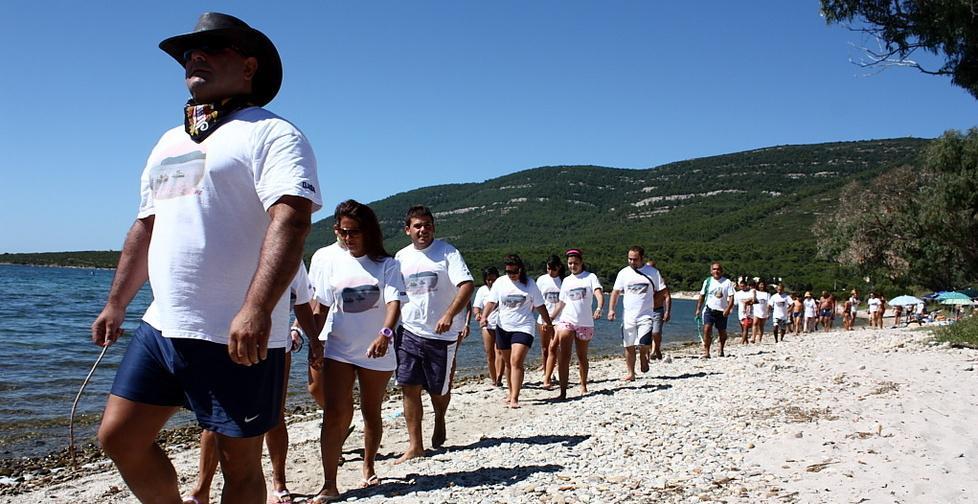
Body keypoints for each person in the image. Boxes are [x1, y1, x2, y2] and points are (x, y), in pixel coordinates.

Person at [90, 13, 321, 504]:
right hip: (164, 326)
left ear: (249, 66)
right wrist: (117, 303)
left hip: (236, 333)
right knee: (119, 438)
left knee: (240, 467)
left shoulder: (273, 134)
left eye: (211, 48)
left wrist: (256, 307)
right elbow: (146, 226)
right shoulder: (172, 141)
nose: (194, 57)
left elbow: (293, 220)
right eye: (188, 53)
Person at [185, 266, 318, 504]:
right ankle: (200, 490)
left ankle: (279, 483)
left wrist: (313, 340)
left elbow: (302, 301)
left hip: (274, 345)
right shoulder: (229, 243)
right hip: (222, 341)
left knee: (275, 417)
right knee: (214, 420)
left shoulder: (288, 251)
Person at [308, 200, 405, 501]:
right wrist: (313, 340)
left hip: (378, 349)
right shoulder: (331, 260)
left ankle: (368, 465)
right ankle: (329, 483)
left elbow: (394, 303)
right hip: (339, 347)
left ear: (368, 231)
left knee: (370, 411)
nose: (347, 237)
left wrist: (385, 334)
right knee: (334, 413)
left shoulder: (387, 265)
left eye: (353, 232)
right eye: (342, 231)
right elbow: (321, 306)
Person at [393, 206, 474, 463]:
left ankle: (440, 416)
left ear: (433, 227)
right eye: (417, 226)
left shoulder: (447, 252)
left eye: (427, 225)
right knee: (409, 387)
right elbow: (394, 294)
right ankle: (415, 445)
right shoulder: (400, 257)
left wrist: (449, 315)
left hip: (442, 335)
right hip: (409, 330)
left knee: (438, 390)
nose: (423, 230)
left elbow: (467, 285)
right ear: (408, 230)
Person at [479, 254, 552, 408]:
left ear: (520, 269)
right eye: (508, 272)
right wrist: (484, 316)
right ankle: (510, 391)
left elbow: (540, 306)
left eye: (514, 271)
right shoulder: (500, 282)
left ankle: (515, 398)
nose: (511, 275)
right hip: (503, 327)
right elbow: (491, 302)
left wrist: (548, 323)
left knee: (516, 361)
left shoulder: (530, 284)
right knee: (507, 363)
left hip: (524, 327)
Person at [549, 249, 604, 398]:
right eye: (570, 263)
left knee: (581, 356)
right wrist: (549, 319)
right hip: (567, 320)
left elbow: (598, 293)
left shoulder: (590, 277)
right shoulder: (566, 281)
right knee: (564, 356)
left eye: (575, 263)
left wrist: (599, 307)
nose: (573, 266)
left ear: (581, 262)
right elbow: (561, 303)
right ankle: (563, 392)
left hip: (585, 323)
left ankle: (583, 384)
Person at [608, 246, 666, 381]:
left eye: (635, 259)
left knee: (644, 342)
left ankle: (643, 357)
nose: (632, 262)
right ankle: (631, 373)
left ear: (642, 258)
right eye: (629, 259)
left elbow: (662, 290)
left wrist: (653, 303)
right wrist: (611, 309)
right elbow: (616, 292)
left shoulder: (652, 272)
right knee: (628, 345)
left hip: (645, 314)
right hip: (628, 315)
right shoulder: (623, 273)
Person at [693, 262, 735, 358]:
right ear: (711, 271)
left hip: (722, 311)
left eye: (718, 269)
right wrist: (698, 309)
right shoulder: (707, 281)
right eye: (714, 269)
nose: (716, 271)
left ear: (722, 271)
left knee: (722, 332)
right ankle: (707, 352)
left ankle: (721, 349)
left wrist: (728, 309)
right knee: (707, 329)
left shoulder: (727, 282)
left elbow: (731, 297)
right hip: (709, 310)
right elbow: (702, 296)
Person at [536, 255, 564, 389]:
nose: (550, 272)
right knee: (545, 347)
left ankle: (556, 370)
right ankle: (547, 372)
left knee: (556, 346)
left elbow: (564, 302)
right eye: (548, 269)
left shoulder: (563, 280)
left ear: (558, 267)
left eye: (553, 269)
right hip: (543, 319)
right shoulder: (542, 280)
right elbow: (536, 299)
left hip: (559, 319)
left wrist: (552, 317)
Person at [472, 267, 503, 387]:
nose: (491, 282)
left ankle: (499, 377)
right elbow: (476, 307)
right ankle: (493, 379)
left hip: (501, 324)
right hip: (488, 325)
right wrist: (478, 314)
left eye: (493, 279)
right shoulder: (482, 291)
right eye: (488, 279)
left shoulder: (502, 288)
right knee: (490, 353)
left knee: (500, 351)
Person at [734, 278, 754, 344]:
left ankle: (742, 342)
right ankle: (746, 341)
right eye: (741, 286)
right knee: (742, 327)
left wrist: (748, 301)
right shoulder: (737, 294)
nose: (742, 287)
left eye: (743, 286)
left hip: (748, 312)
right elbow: (735, 303)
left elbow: (754, 300)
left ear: (746, 285)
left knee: (745, 327)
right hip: (740, 312)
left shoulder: (750, 292)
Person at [751, 279, 771, 344]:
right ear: (758, 285)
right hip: (756, 310)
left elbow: (768, 304)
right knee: (755, 323)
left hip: (764, 311)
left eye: (763, 285)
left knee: (761, 326)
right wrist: (754, 294)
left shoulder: (767, 294)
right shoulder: (755, 292)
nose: (761, 286)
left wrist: (768, 313)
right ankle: (753, 338)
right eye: (760, 284)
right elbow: (753, 301)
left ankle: (759, 339)